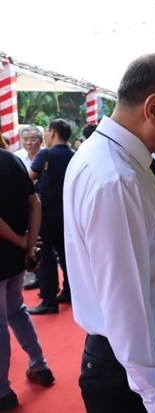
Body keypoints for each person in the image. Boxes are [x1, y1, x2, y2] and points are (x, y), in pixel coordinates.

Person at [63, 52, 155, 412]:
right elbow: (126, 305)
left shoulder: (116, 160)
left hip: (136, 360)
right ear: (154, 108)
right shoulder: (117, 179)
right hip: (131, 373)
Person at [0, 148, 55, 412]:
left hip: (9, 250)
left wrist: (23, 242)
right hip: (15, 258)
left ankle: (2, 391)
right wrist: (30, 245)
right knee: (16, 311)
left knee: (2, 321)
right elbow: (35, 203)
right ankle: (39, 364)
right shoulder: (10, 159)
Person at [27, 119, 74, 315]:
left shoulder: (45, 154)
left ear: (53, 133)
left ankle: (49, 300)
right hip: (68, 214)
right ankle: (70, 292)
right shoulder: (73, 155)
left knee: (45, 256)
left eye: (46, 131)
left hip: (46, 214)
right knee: (67, 256)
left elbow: (30, 176)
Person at [13, 126, 44, 291]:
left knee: (42, 240)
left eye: (33, 139)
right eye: (25, 139)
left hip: (43, 205)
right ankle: (33, 271)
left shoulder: (46, 156)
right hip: (23, 204)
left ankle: (42, 275)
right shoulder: (16, 157)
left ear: (40, 140)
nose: (29, 143)